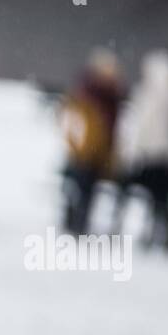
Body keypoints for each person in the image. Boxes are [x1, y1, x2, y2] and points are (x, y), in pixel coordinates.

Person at [119, 50, 168, 252]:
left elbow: (144, 129)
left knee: (157, 200)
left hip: (154, 159)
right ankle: (164, 237)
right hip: (165, 161)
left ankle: (154, 235)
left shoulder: (155, 94)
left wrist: (137, 151)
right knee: (162, 201)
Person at [60, 48, 122, 234]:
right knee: (82, 189)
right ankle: (76, 224)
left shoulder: (101, 95)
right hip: (86, 152)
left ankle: (77, 223)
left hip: (91, 153)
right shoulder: (93, 96)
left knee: (82, 190)